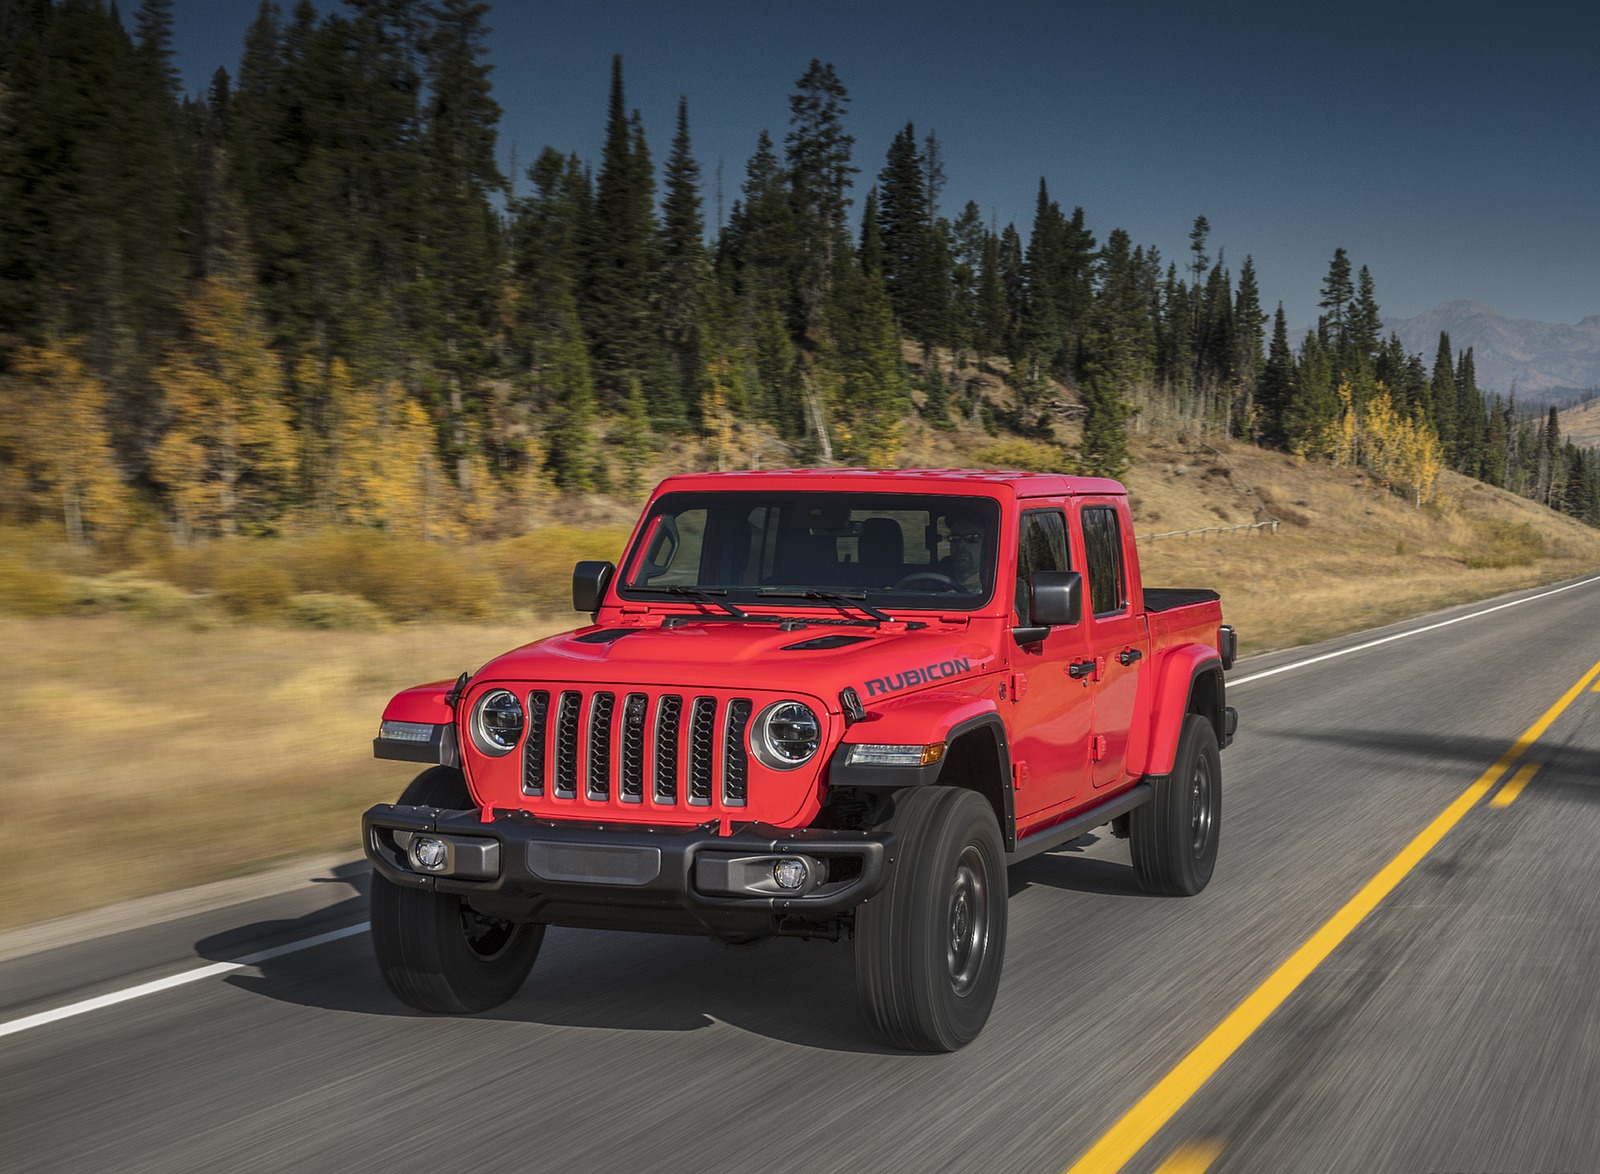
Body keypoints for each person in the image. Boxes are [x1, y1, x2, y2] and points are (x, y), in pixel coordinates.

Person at [938, 507, 989, 593]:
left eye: (971, 538)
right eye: (955, 538)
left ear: (986, 543)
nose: (961, 545)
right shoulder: (935, 577)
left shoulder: (994, 583)